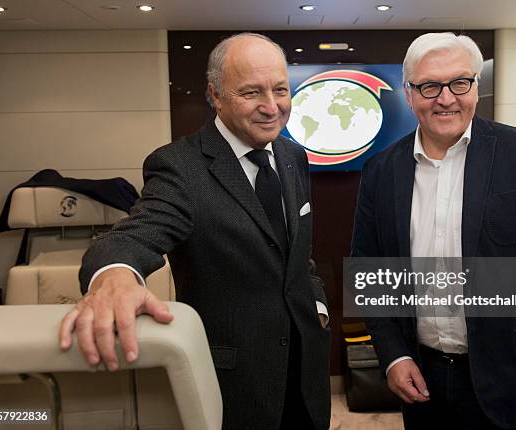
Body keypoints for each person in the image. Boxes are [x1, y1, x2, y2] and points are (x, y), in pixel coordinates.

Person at [58, 32, 331, 430]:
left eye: (280, 89)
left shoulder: (292, 155)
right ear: (216, 96)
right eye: (252, 92)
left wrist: (317, 307)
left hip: (306, 372)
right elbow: (137, 232)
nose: (272, 107)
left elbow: (296, 254)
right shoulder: (179, 168)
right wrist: (115, 274)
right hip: (236, 384)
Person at [351, 32, 516, 429]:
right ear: (408, 93)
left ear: (476, 86)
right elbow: (371, 273)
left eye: (460, 82)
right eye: (429, 86)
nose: (446, 98)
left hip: (512, 380)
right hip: (422, 380)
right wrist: (393, 355)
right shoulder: (381, 170)